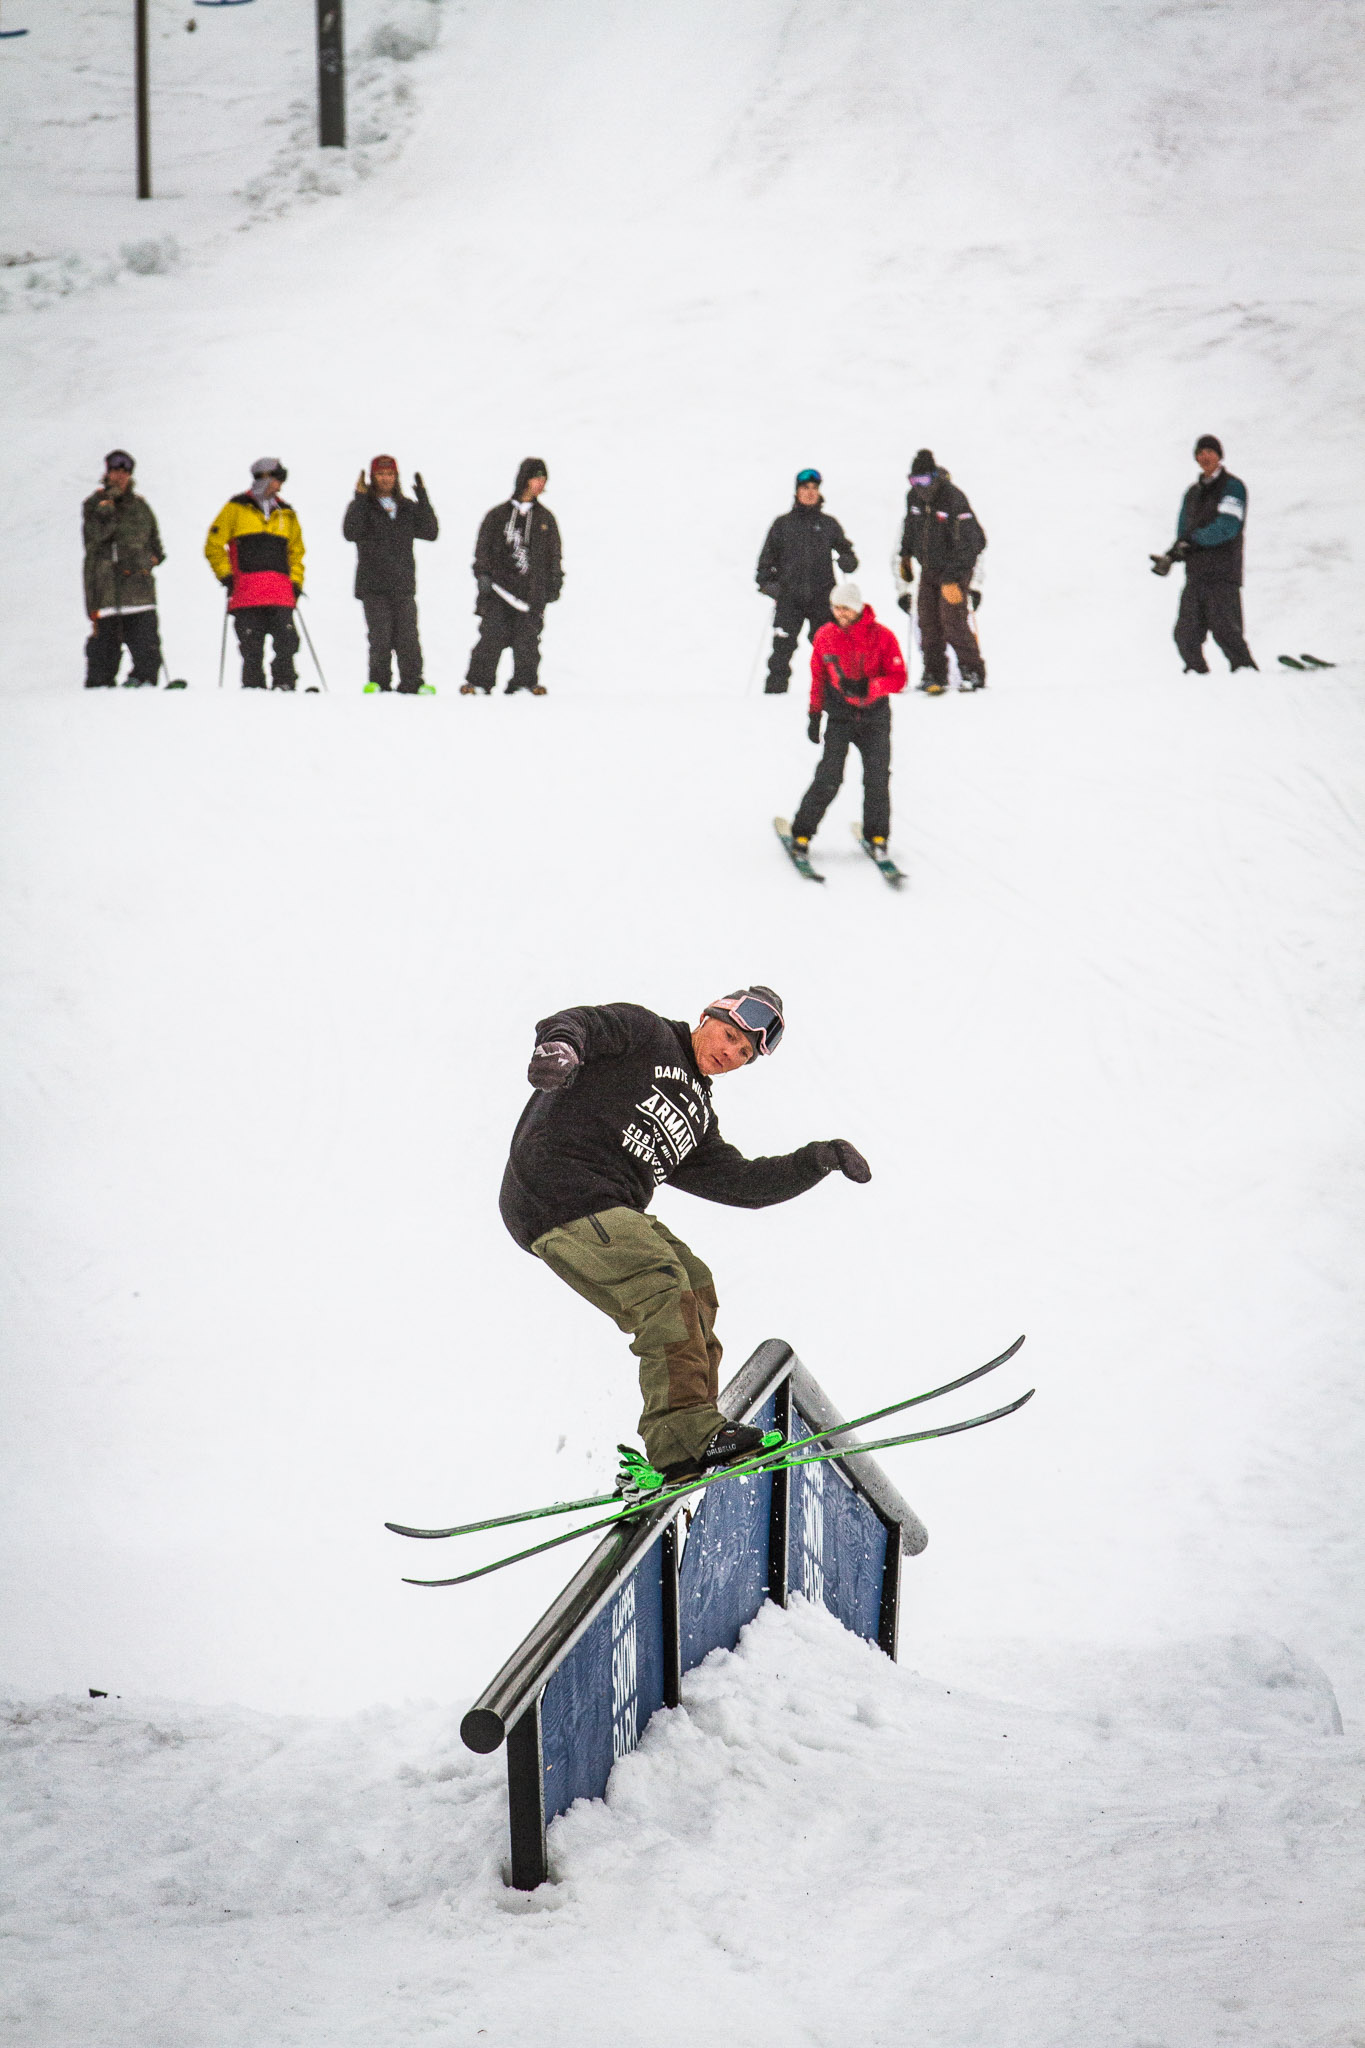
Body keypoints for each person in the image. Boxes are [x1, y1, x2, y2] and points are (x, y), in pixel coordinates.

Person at [499, 988, 871, 1479]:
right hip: (558, 1186)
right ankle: (686, 1437)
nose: (731, 1054)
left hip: (609, 1208)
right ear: (707, 1017)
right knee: (662, 1285)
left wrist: (817, 1159)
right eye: (730, 1035)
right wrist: (562, 1048)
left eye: (744, 1054)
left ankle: (690, 1438)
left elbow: (743, 1183)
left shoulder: (696, 1118)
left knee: (695, 1283)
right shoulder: (646, 1033)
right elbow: (580, 1021)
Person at [789, 582, 907, 856]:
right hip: (841, 717)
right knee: (829, 776)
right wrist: (814, 714)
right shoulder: (825, 636)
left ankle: (877, 836)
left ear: (857, 608)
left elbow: (899, 678)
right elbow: (818, 678)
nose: (839, 613)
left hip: (875, 718)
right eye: (835, 607)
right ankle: (802, 833)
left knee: (877, 778)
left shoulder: (883, 636)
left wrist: (871, 687)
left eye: (845, 608)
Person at [1150, 435, 1257, 674]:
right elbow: (1184, 531)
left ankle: (1247, 674)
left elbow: (1228, 526)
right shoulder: (1192, 493)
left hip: (1222, 573)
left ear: (1219, 456)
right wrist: (1172, 554)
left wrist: (1193, 542)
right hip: (1196, 574)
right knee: (1185, 634)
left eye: (1210, 452)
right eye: (1200, 453)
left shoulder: (1232, 487)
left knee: (1226, 631)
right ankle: (1198, 678)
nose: (1205, 457)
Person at [461, 458, 563, 696]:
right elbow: (482, 550)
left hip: (531, 594)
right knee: (491, 637)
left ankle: (524, 683)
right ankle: (478, 682)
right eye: (536, 477)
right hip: (499, 591)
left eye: (543, 479)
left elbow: (554, 556)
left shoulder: (545, 519)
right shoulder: (498, 516)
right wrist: (483, 576)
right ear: (524, 479)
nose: (540, 483)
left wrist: (554, 583)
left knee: (528, 641)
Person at [204, 457, 306, 691]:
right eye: (277, 479)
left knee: (287, 642)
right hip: (247, 591)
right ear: (264, 478)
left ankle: (285, 684)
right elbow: (213, 544)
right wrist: (226, 576)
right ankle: (253, 691)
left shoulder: (287, 512)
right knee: (251, 647)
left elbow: (296, 552)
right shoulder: (235, 508)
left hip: (280, 592)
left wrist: (296, 582)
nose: (280, 484)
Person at [755, 469, 858, 694]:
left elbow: (848, 553)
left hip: (822, 597)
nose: (810, 493)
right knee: (782, 650)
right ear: (797, 492)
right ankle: (773, 698)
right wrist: (771, 586)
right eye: (805, 488)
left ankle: (836, 696)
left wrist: (847, 561)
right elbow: (764, 565)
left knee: (830, 651)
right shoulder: (782, 525)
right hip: (789, 598)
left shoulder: (828, 524)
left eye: (814, 488)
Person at [342, 456, 439, 693]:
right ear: (372, 477)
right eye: (380, 474)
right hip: (373, 585)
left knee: (408, 638)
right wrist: (360, 498)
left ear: (396, 477)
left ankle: (413, 682)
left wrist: (423, 497)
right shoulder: (365, 506)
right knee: (380, 637)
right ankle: (379, 682)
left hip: (403, 584)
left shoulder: (406, 507)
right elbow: (350, 531)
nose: (385, 479)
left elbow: (430, 531)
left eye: (390, 474)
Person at [899, 449, 987, 693]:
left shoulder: (953, 498)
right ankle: (934, 672)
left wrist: (952, 579)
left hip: (956, 569)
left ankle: (972, 671)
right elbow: (910, 526)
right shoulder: (913, 498)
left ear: (935, 476)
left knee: (952, 620)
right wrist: (905, 555)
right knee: (927, 621)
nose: (919, 486)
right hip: (929, 568)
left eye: (924, 481)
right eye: (914, 481)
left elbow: (976, 541)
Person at [82, 450, 165, 688]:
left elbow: (155, 542)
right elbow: (94, 539)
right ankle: (99, 694)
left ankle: (144, 684)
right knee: (103, 655)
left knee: (147, 648)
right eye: (115, 471)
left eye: (125, 471)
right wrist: (107, 510)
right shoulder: (94, 504)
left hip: (140, 590)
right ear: (107, 473)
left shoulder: (141, 506)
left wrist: (152, 559)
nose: (119, 476)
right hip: (107, 591)